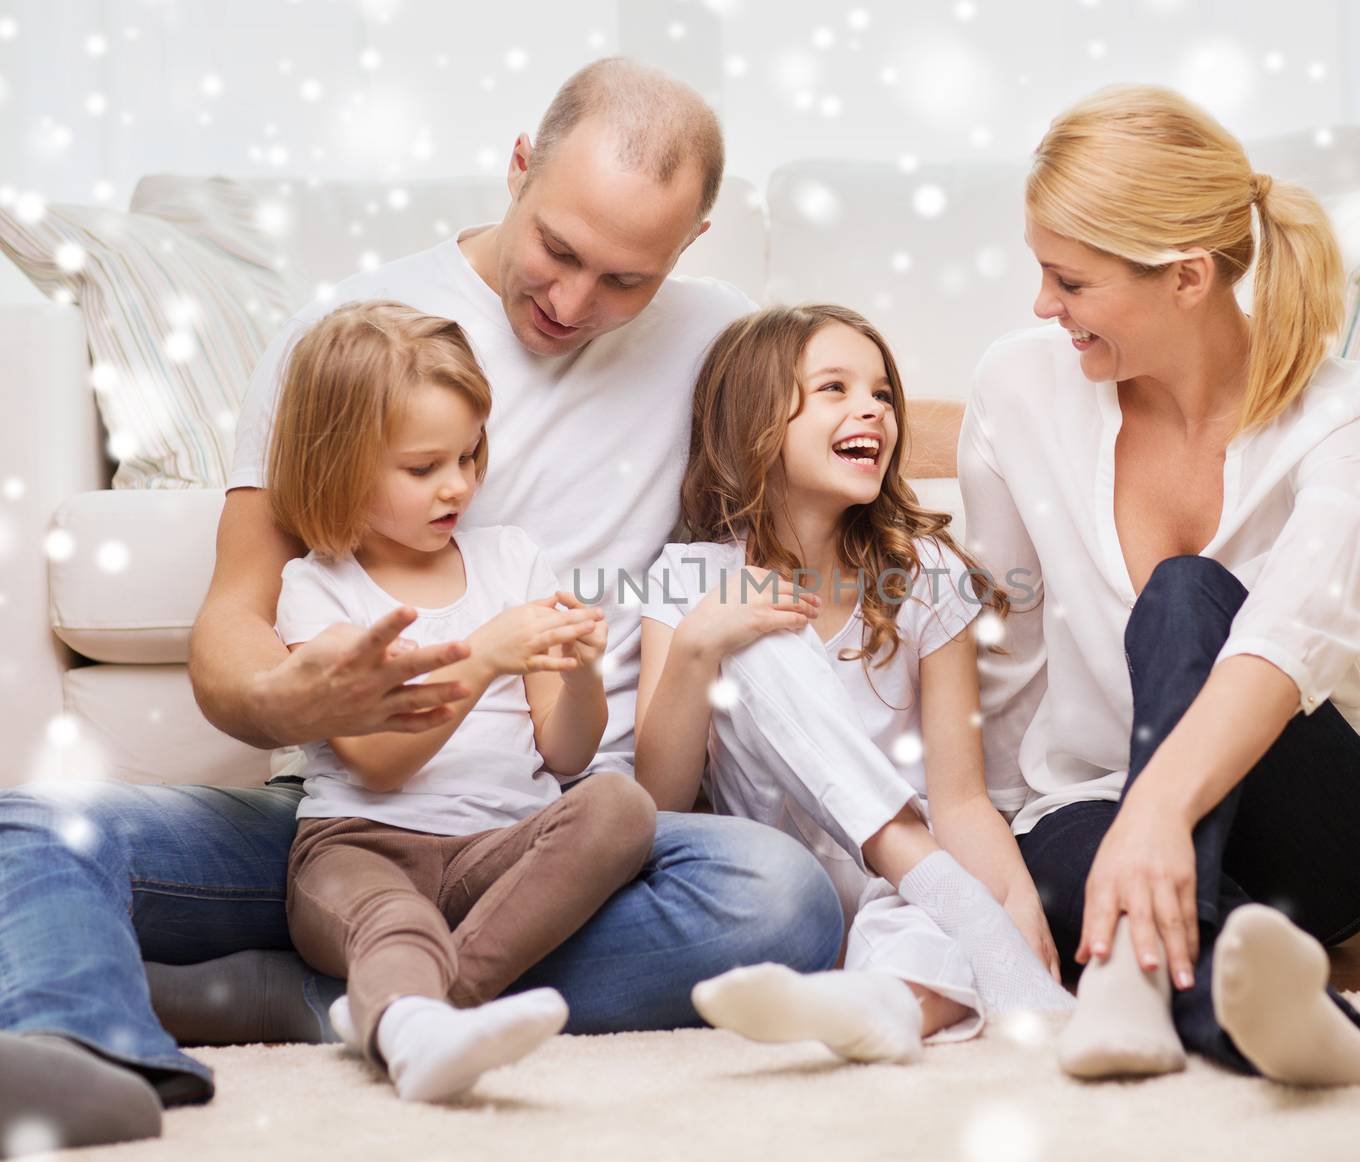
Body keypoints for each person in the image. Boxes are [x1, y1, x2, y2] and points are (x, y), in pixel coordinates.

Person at [0, 59, 842, 1153]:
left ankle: (333, 1002)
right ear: (518, 169)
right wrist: (288, 691)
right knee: (34, 826)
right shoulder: (347, 338)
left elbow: (855, 430)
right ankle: (85, 1049)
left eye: (627, 280)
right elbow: (235, 620)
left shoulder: (718, 339)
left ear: (691, 245)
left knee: (782, 897)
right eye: (558, 249)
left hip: (549, 844)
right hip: (347, 822)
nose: (574, 304)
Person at [959, 84, 1360, 1087]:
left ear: (1186, 277)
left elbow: (1287, 640)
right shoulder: (1015, 390)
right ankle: (1242, 1005)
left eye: (1067, 281)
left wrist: (1157, 810)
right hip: (1092, 803)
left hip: (1315, 822)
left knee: (1186, 592)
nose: (1043, 307)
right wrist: (982, 839)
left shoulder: (1351, 420)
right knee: (1043, 864)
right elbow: (1010, 643)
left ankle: (1131, 964)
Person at [634, 304, 1072, 1066]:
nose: (871, 407)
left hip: (908, 882)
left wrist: (1012, 902)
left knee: (922, 929)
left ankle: (885, 1007)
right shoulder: (691, 579)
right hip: (774, 886)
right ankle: (938, 907)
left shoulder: (925, 573)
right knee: (749, 621)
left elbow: (961, 797)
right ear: (754, 421)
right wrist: (698, 648)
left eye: (881, 394)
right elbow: (662, 802)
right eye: (833, 388)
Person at [267, 300, 667, 1103]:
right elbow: (377, 763)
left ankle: (413, 1015)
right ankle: (416, 1021)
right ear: (339, 464)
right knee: (399, 925)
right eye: (423, 469)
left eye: (470, 455)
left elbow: (565, 754)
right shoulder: (317, 588)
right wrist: (484, 657)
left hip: (497, 849)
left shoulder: (510, 556)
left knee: (619, 805)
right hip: (362, 848)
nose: (458, 485)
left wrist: (582, 670)